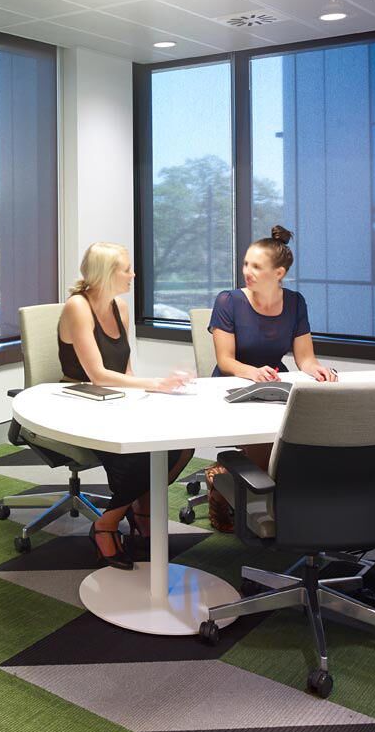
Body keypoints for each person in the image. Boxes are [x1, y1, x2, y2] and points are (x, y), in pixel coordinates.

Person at [57, 242, 192, 568]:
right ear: (106, 273)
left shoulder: (120, 307)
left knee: (181, 444)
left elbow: (124, 370)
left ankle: (139, 510)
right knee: (139, 453)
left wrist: (148, 397)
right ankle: (107, 523)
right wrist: (156, 383)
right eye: (126, 270)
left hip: (113, 400)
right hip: (79, 403)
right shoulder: (78, 306)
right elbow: (98, 374)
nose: (133, 275)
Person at [208, 226, 338, 385]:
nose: (247, 272)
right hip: (231, 384)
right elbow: (225, 361)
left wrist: (317, 369)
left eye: (256, 267)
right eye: (246, 264)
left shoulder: (295, 303)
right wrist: (254, 372)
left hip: (273, 382)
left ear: (279, 273)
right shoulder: (227, 301)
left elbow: (305, 358)